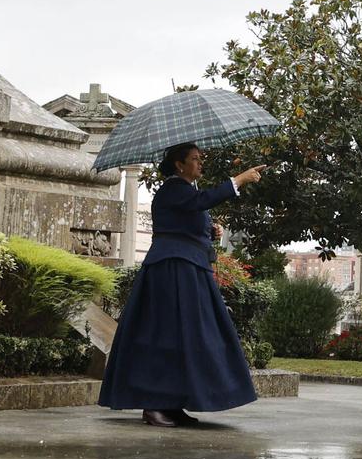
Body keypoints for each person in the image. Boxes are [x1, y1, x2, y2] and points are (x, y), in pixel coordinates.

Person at [99, 144, 265, 429]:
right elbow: (199, 203)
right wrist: (238, 180)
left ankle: (173, 403)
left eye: (200, 159)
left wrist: (210, 231)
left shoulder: (185, 191)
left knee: (186, 336)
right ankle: (155, 405)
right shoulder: (173, 188)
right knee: (167, 334)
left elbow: (188, 221)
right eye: (195, 159)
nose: (201, 164)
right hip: (171, 270)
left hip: (186, 269)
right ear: (179, 164)